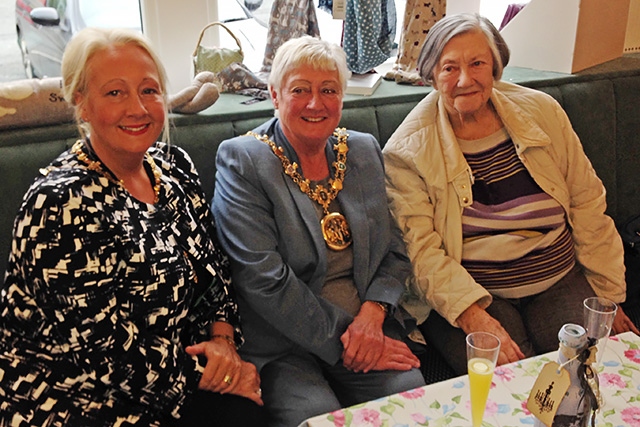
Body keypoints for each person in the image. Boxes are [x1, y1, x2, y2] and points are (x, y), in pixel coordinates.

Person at [0, 27, 264, 426]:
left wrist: (224, 341)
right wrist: (220, 375)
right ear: (81, 103)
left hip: (174, 375)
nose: (138, 108)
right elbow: (100, 357)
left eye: (149, 90)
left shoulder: (174, 168)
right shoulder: (59, 205)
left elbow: (215, 272)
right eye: (114, 93)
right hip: (76, 400)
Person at [383, 13, 640, 376]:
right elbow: (421, 252)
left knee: (591, 370)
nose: (465, 80)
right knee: (511, 380)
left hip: (557, 278)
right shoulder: (406, 150)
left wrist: (607, 298)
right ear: (430, 75)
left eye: (477, 64)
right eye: (449, 68)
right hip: (474, 290)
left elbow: (587, 204)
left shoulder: (543, 112)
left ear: (495, 67)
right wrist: (471, 315)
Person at [212, 35, 425, 427]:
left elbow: (394, 251)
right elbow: (262, 279)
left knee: (410, 405)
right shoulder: (243, 159)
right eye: (300, 90)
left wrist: (373, 315)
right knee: (314, 418)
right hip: (283, 342)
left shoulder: (361, 150)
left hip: (367, 328)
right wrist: (352, 341)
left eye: (328, 90)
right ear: (275, 96)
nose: (316, 103)